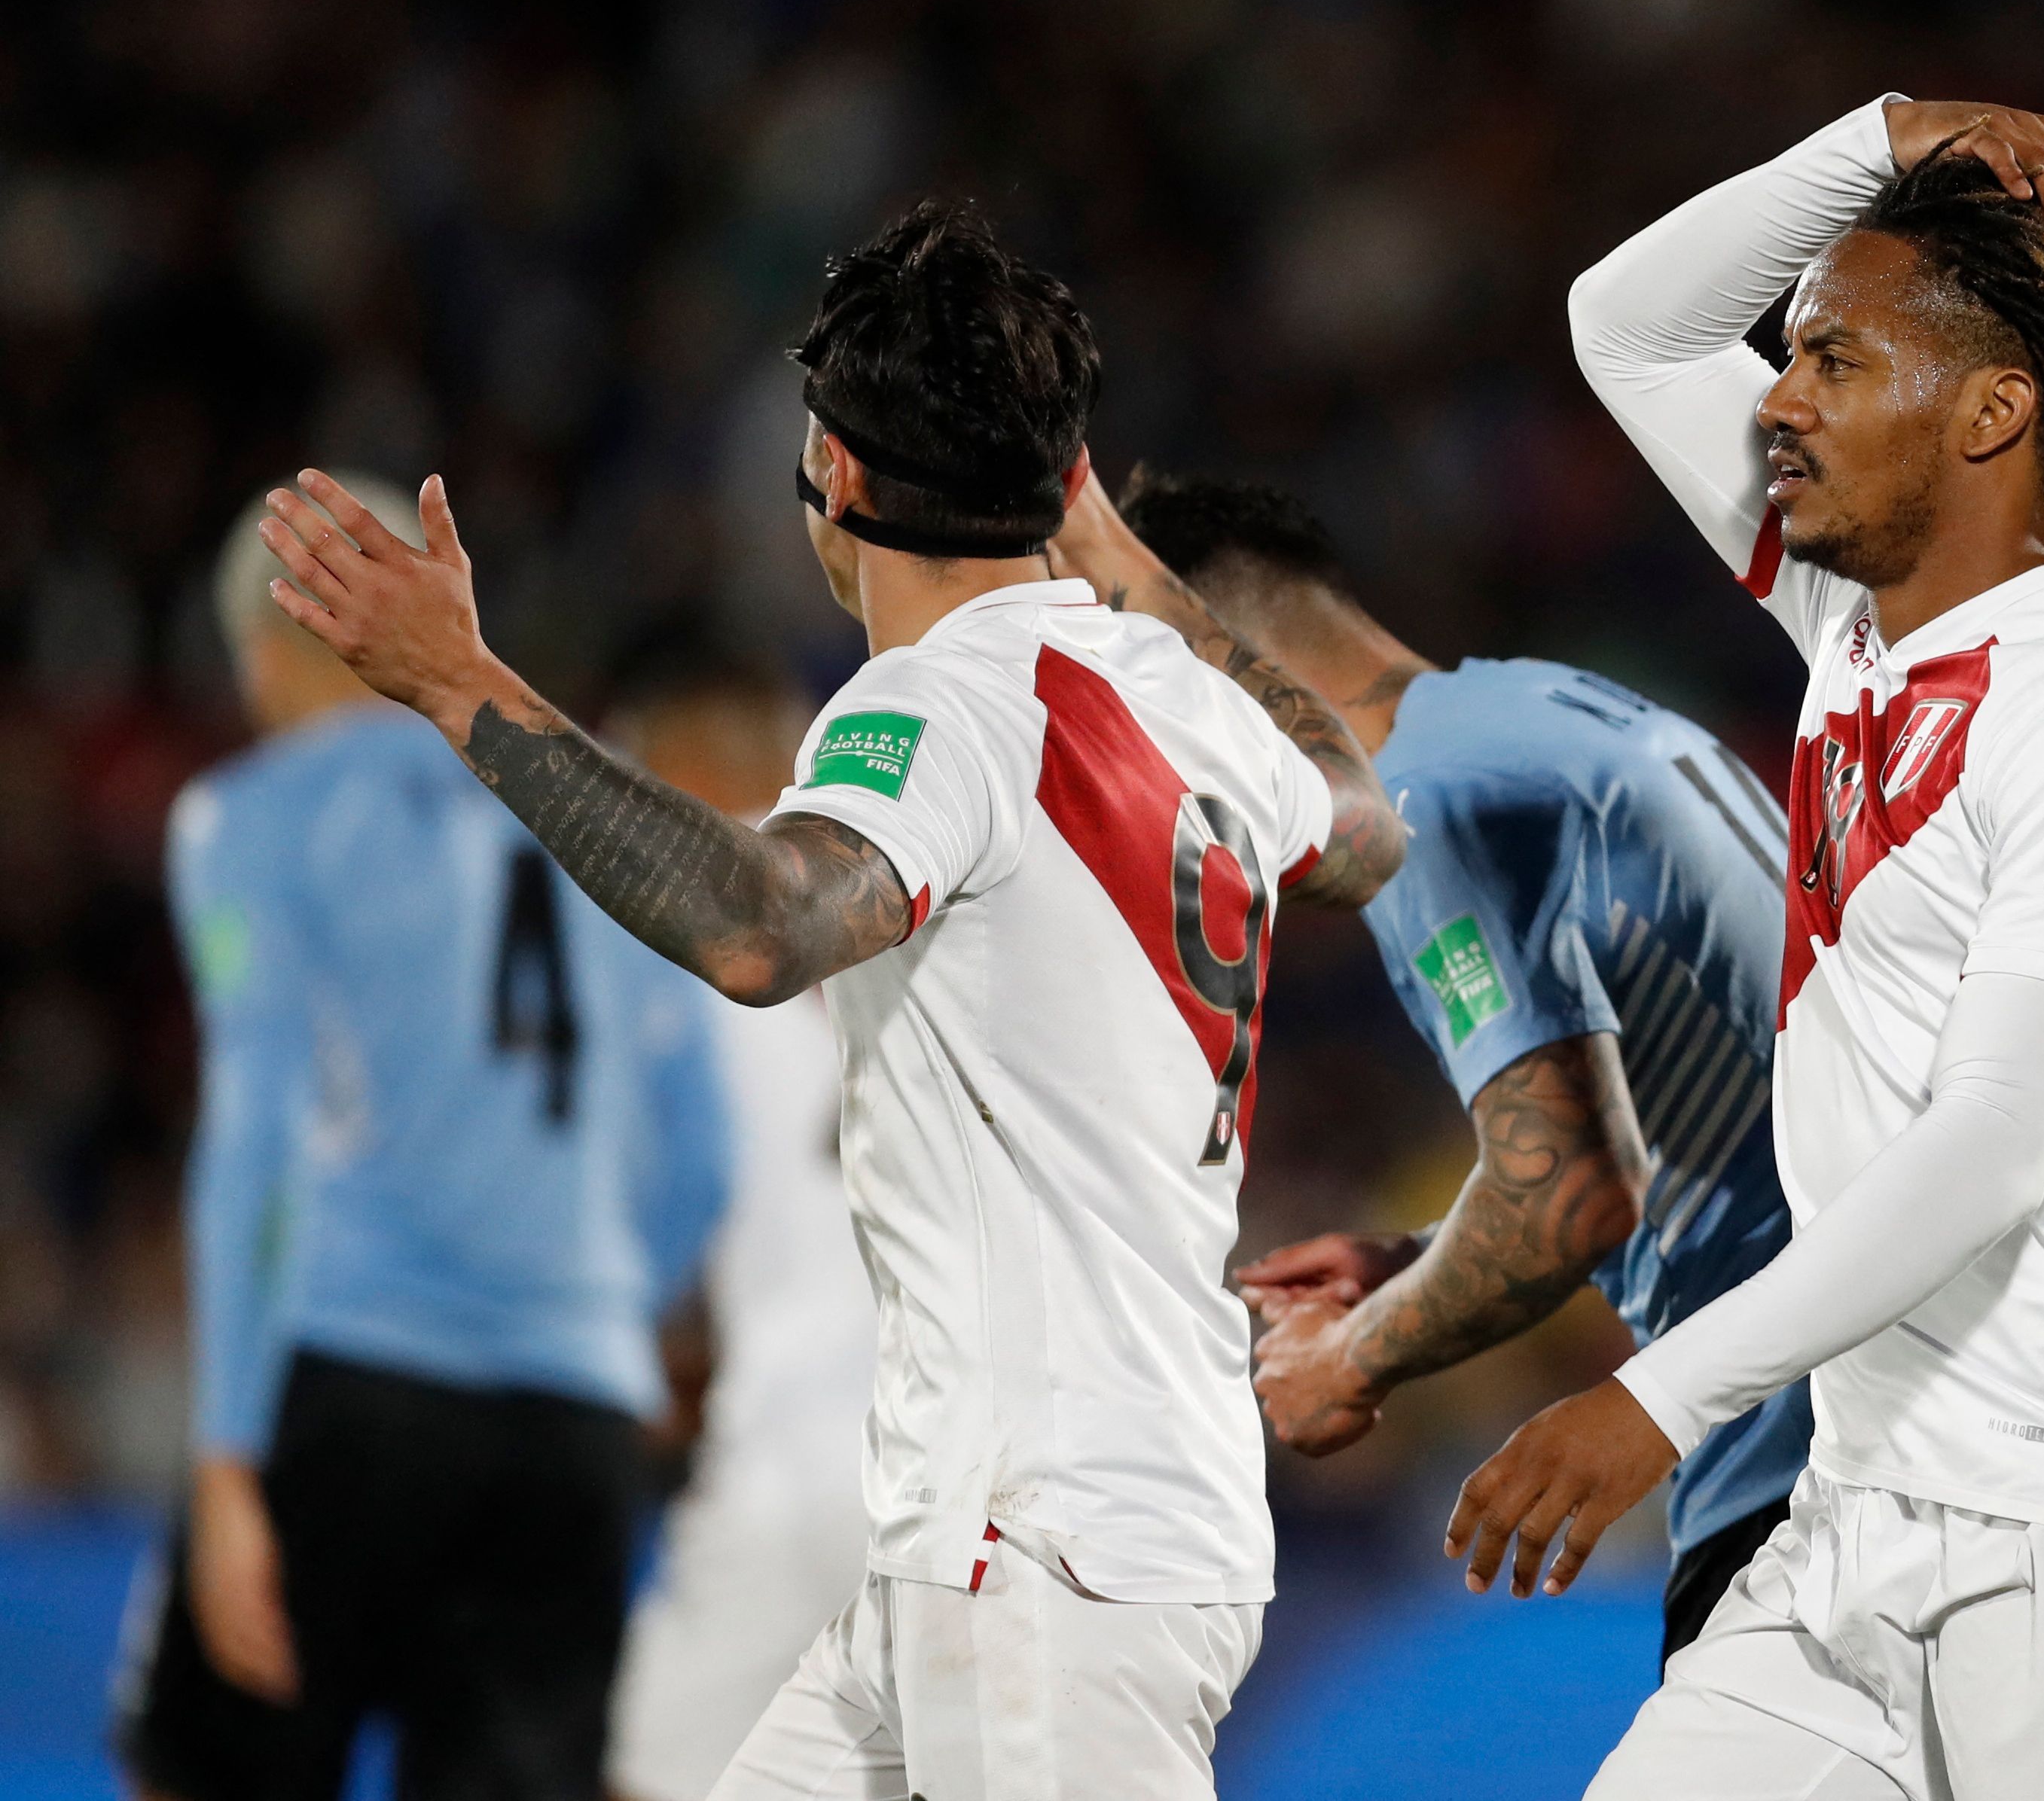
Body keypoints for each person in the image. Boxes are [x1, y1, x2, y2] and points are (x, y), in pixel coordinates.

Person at [249, 202, 1403, 1800]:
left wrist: (461, 682)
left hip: (1047, 1544)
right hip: (1009, 1529)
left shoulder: (935, 711)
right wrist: (1124, 555)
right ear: (1062, 475)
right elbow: (1360, 821)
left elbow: (755, 927)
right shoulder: (1178, 697)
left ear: (834, 476)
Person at [1439, 96, 2044, 1800]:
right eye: (1790, 356)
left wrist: (1657, 1398)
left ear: (1988, 413)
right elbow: (1627, 320)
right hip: (1852, 1523)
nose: (1777, 399)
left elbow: (1987, 1144)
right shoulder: (1857, 631)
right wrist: (1881, 136)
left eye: (1831, 358)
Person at [1063, 468, 1809, 1664]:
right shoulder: (1538, 712)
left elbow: (1569, 1188)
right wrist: (1409, 1264)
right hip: (1868, 1419)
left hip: (1806, 1475)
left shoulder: (1426, 805)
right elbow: (1663, 1123)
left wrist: (1355, 1359)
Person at [117, 478, 733, 1801]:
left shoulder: (261, 814)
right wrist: (599, 1310)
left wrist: (227, 1456)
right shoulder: (612, 805)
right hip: (572, 1419)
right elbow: (704, 1159)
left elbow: (256, 1133)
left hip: (348, 1386)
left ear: (271, 645)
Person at [598, 640, 878, 1801]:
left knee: (648, 1779)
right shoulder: (927, 900)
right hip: (956, 1476)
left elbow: (641, 1211)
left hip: (788, 1464)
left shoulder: (679, 954)